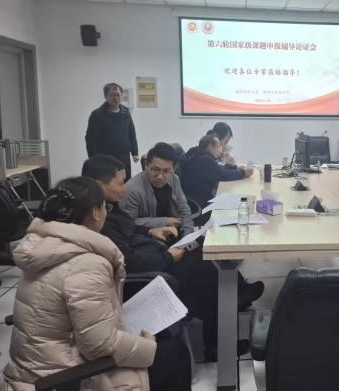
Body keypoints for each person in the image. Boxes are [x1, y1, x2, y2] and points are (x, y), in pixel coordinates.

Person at [0, 177, 191, 391]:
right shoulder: (85, 263)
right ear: (96, 213)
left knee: (161, 339)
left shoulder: (43, 248)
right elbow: (99, 346)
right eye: (104, 207)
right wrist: (148, 348)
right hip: (66, 377)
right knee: (175, 354)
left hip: (35, 367)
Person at [83, 154, 263, 361]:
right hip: (146, 274)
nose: (124, 188)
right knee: (203, 270)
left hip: (153, 252)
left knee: (202, 254)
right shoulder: (98, 220)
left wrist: (151, 231)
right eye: (120, 183)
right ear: (100, 185)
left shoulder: (109, 206)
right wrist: (168, 257)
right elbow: (128, 262)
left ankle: (231, 302)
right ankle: (216, 343)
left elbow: (130, 228)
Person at [121, 142, 194, 236]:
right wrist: (164, 221)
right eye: (155, 169)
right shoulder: (131, 189)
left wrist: (187, 234)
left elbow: (184, 210)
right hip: (147, 236)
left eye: (166, 171)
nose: (160, 176)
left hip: (174, 232)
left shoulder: (174, 179)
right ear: (146, 165)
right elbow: (128, 223)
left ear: (174, 169)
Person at [181, 134, 253, 224]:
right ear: (210, 147)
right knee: (232, 209)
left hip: (196, 200)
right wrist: (243, 173)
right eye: (218, 146)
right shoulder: (205, 160)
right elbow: (224, 175)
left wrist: (235, 167)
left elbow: (219, 168)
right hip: (199, 205)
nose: (221, 149)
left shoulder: (197, 154)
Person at [85, 82, 139, 180]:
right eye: (112, 95)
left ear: (121, 95)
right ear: (106, 96)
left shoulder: (125, 112)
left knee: (125, 182)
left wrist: (134, 152)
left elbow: (131, 132)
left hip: (124, 158)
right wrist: (94, 161)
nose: (115, 98)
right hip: (106, 160)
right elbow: (91, 140)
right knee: (109, 183)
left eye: (118, 95)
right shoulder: (97, 115)